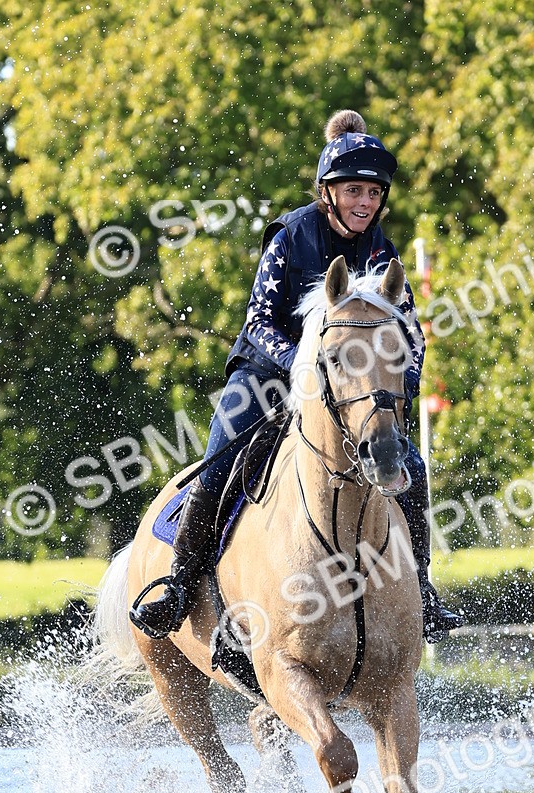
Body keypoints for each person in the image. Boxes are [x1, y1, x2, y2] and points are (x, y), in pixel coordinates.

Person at [130, 109, 461, 642]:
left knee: (412, 472)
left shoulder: (383, 249)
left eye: (374, 194)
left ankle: (422, 588)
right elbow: (259, 323)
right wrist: (305, 369)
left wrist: (401, 382)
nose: (365, 203)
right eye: (354, 191)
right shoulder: (290, 234)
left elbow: (411, 334)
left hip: (355, 392)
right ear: (327, 192)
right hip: (268, 374)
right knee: (219, 462)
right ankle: (180, 583)